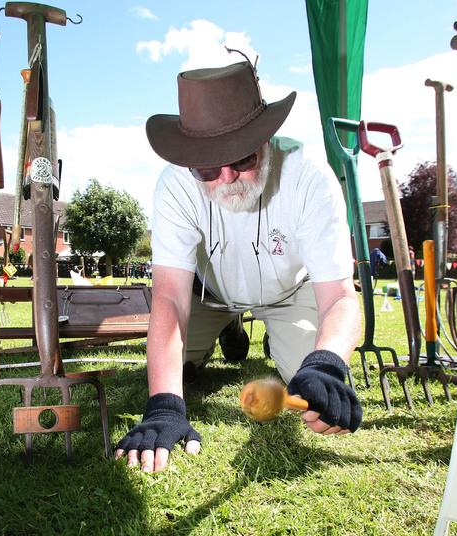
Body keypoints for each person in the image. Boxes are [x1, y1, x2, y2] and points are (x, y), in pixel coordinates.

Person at [114, 59, 363, 473]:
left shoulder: (310, 178)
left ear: (265, 138)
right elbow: (171, 297)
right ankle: (229, 323)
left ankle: (276, 334)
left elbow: (338, 295)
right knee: (181, 368)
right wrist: (164, 408)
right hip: (209, 297)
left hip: (289, 295)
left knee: (314, 383)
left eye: (243, 159)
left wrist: (328, 362)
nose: (226, 177)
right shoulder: (174, 186)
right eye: (208, 167)